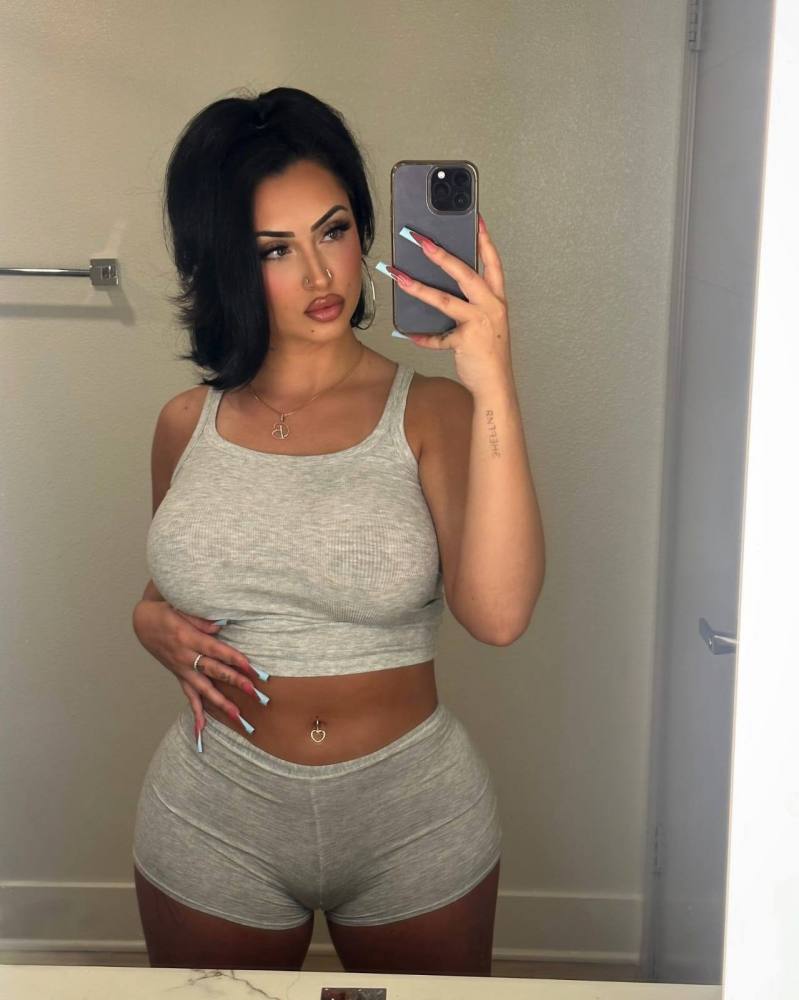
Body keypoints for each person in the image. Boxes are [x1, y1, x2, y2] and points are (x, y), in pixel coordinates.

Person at [131, 86, 543, 976]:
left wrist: (492, 381)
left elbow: (499, 614)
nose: (321, 277)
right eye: (274, 249)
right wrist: (145, 620)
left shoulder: (432, 412)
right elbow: (174, 592)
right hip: (214, 811)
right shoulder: (183, 424)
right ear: (224, 266)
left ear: (364, 229)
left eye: (333, 230)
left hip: (412, 813)